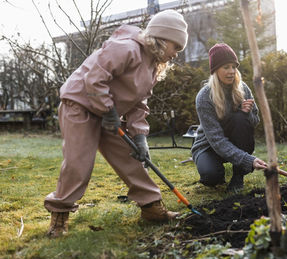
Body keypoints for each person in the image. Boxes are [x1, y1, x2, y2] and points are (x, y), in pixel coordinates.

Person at [44, 9, 188, 238]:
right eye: (176, 47)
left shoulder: (151, 66)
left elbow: (139, 102)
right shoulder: (126, 48)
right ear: (162, 38)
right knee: (79, 163)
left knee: (130, 156)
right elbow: (94, 77)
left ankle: (151, 207)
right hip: (79, 105)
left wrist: (140, 137)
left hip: (106, 112)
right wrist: (108, 110)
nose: (176, 54)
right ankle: (59, 215)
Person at [191, 43, 268, 193]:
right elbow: (217, 140)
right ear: (215, 70)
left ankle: (238, 176)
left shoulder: (242, 88)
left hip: (235, 141)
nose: (231, 71)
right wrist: (248, 160)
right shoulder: (204, 97)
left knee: (240, 119)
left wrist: (247, 113)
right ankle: (215, 169)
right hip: (208, 146)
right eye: (226, 67)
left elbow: (255, 122)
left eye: (234, 67)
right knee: (211, 176)